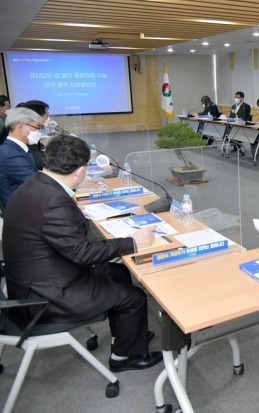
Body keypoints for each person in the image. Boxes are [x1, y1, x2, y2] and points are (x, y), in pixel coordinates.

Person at [3, 134, 163, 372]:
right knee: (134, 297)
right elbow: (82, 253)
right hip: (46, 296)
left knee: (117, 272)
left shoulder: (36, 186)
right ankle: (124, 357)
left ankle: (128, 335)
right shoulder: (54, 201)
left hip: (37, 276)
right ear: (80, 171)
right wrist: (133, 242)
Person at [0, 108, 42, 208]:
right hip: (23, 213)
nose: (38, 132)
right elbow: (36, 184)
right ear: (21, 126)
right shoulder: (10, 154)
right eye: (36, 128)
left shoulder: (14, 148)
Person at [16, 100, 51, 170]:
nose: (48, 119)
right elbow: (39, 162)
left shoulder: (34, 129)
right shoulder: (28, 132)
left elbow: (36, 149)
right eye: (47, 116)